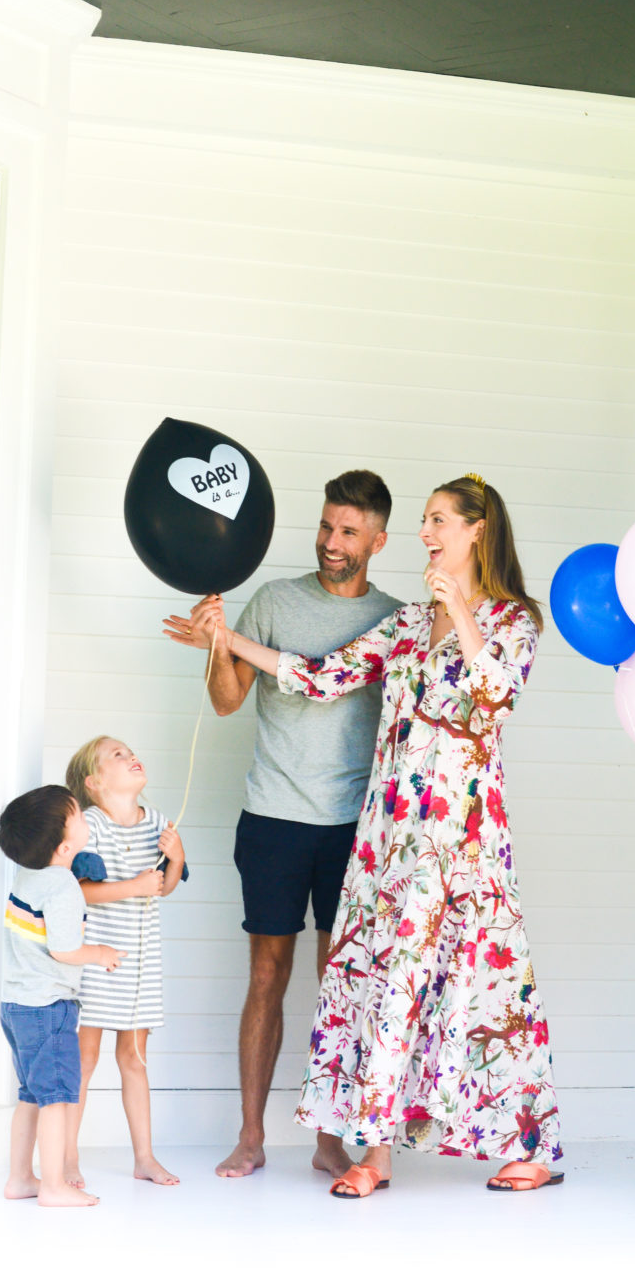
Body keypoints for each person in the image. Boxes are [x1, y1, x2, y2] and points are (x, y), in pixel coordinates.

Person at [190, 475, 563, 1198]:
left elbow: (494, 699)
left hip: (465, 835)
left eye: (438, 520)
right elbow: (321, 675)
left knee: (486, 985)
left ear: (477, 530)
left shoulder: (516, 619)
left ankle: (531, 1142)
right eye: (423, 520)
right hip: (390, 834)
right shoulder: (406, 623)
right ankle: (375, 1152)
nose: (427, 532)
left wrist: (462, 608)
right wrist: (227, 638)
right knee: (379, 982)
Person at [163, 469, 401, 1179]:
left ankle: (330, 1136)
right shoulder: (273, 600)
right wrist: (217, 645)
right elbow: (230, 700)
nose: (331, 541)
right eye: (326, 526)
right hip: (272, 817)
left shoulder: (395, 617)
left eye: (348, 531)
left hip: (355, 828)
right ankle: (250, 1135)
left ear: (378, 540)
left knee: (340, 982)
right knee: (267, 973)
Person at [62, 736, 187, 1188]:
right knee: (85, 1055)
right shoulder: (88, 827)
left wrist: (177, 860)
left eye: (130, 749)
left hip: (138, 961)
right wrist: (131, 886)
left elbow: (162, 888)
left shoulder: (158, 824)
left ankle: (145, 1158)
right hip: (96, 956)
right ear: (95, 782)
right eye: (117, 755)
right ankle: (67, 1157)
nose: (130, 754)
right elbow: (77, 890)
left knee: (134, 1057)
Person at [0, 784, 126, 1207]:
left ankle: (20, 1178)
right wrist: (102, 954)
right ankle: (52, 1186)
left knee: (32, 1095)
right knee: (56, 1100)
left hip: (16, 1005)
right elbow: (65, 949)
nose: (88, 819)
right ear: (65, 844)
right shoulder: (64, 887)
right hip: (48, 1007)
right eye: (81, 817)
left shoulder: (29, 874)